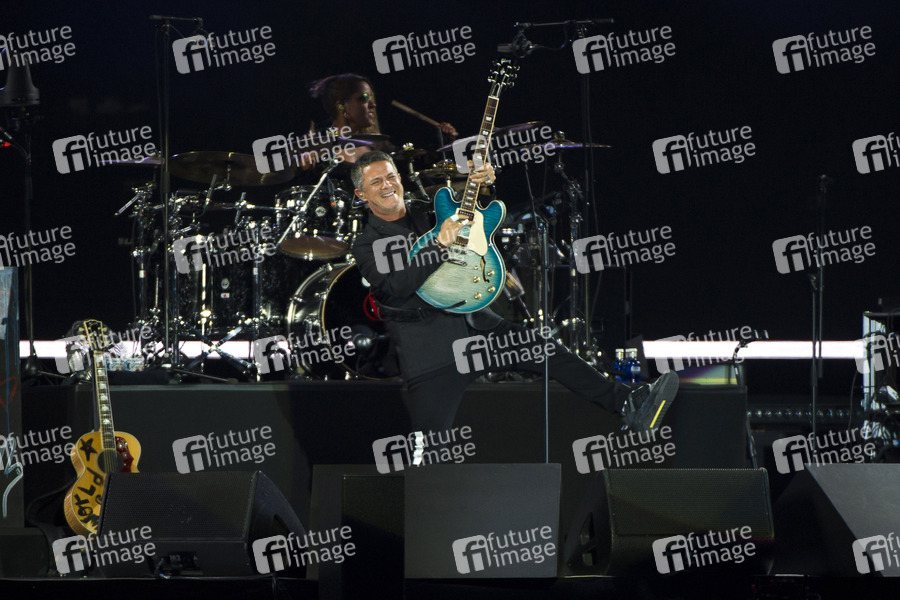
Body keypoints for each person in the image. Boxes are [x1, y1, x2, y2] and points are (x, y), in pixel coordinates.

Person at [350, 150, 679, 457]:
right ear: (361, 194)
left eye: (391, 176)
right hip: (432, 353)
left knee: (547, 350)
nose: (387, 185)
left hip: (479, 328)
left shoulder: (428, 211)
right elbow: (396, 286)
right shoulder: (366, 244)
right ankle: (424, 497)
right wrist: (438, 245)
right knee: (431, 454)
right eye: (376, 182)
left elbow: (474, 217)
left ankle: (629, 404)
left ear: (400, 178)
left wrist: (484, 186)